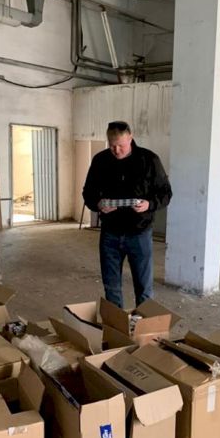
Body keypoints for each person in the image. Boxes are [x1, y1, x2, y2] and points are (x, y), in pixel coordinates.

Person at [82, 121, 172, 308]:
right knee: (111, 286)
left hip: (139, 233)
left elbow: (165, 193)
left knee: (144, 287)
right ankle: (116, 324)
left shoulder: (149, 160)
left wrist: (149, 204)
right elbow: (88, 192)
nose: (116, 150)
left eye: (120, 145)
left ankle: (144, 324)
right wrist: (98, 204)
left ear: (130, 138)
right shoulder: (101, 161)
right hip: (110, 233)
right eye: (112, 145)